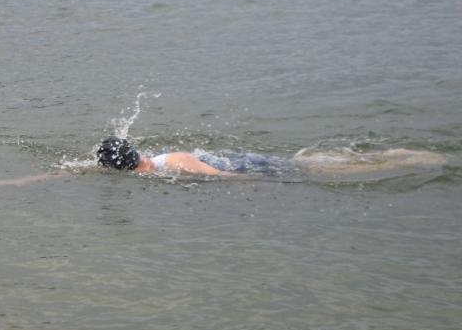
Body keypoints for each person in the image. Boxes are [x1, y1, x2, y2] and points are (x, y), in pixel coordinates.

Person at [96, 136, 444, 177]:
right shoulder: (154, 163)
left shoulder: (172, 163)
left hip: (247, 165)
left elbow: (219, 176)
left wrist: (246, 183)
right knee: (312, 162)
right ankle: (392, 155)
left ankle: (397, 159)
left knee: (313, 169)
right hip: (242, 158)